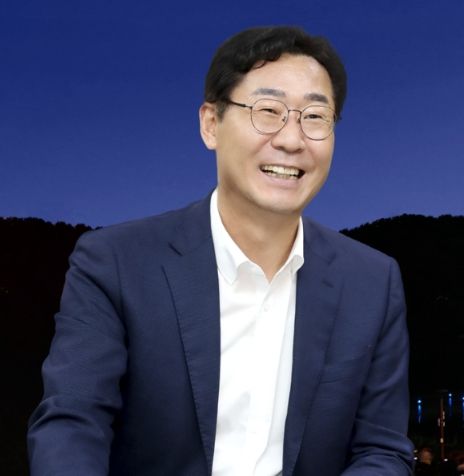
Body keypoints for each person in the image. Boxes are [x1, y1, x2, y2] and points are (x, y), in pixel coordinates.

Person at [28, 26, 414, 475]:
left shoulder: (372, 282)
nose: (291, 140)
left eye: (314, 116)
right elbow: (71, 424)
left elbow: (382, 451)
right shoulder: (115, 263)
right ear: (211, 124)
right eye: (268, 111)